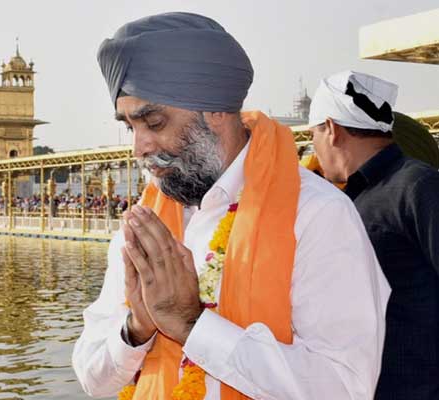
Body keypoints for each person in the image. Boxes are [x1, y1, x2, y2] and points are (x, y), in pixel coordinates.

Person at [72, 13, 390, 400]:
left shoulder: (317, 214)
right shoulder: (146, 223)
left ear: (216, 111)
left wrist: (192, 324)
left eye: (154, 122)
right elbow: (92, 379)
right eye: (129, 127)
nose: (139, 148)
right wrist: (137, 326)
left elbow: (344, 388)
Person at [308, 71, 439, 400]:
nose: (314, 149)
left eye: (314, 136)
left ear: (332, 129)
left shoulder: (418, 186)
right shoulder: (347, 199)